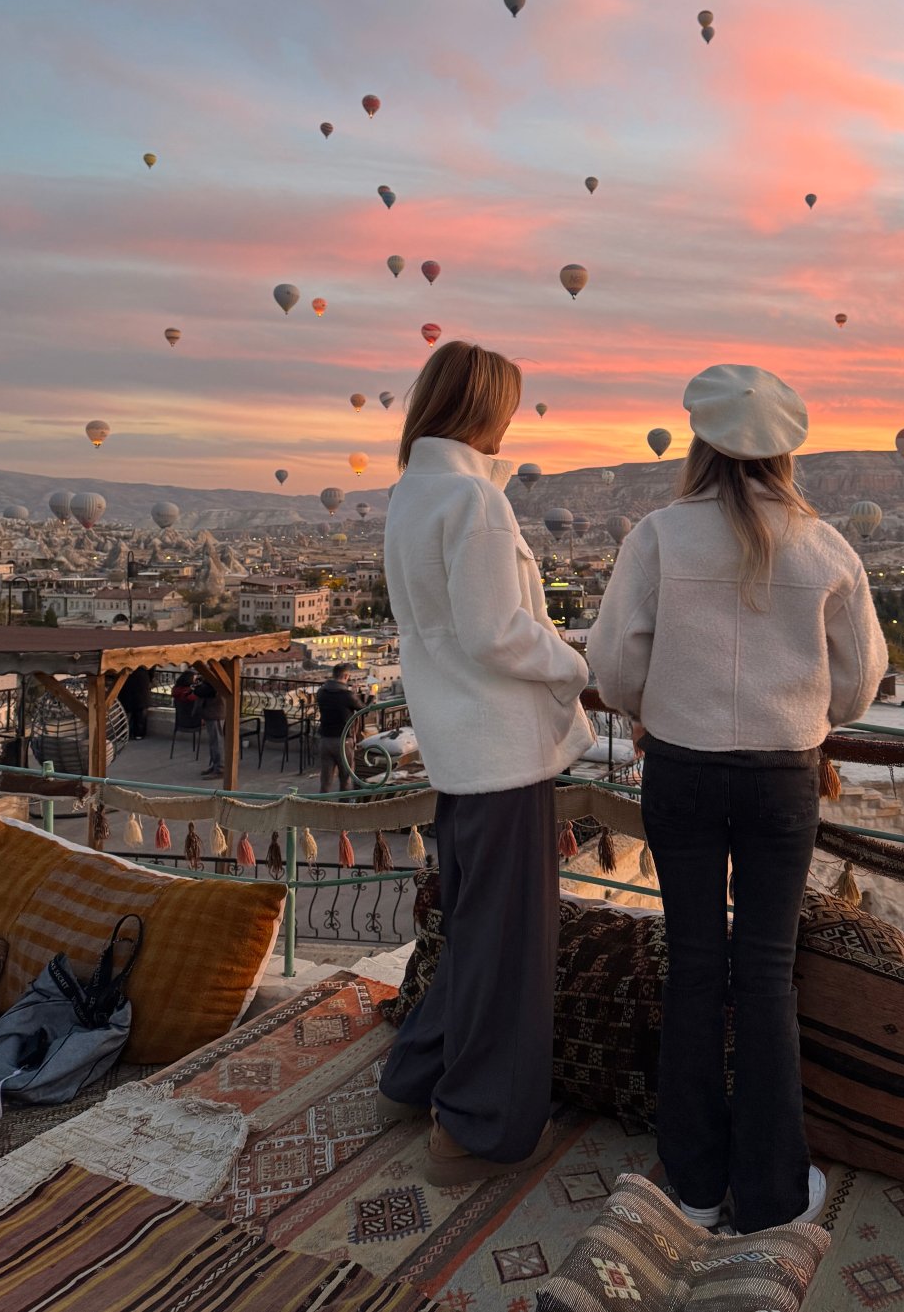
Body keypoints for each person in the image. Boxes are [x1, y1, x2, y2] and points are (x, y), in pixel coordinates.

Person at [588, 364, 888, 1235]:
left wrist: (649, 707)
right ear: (787, 452)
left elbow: (612, 667)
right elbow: (861, 684)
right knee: (763, 973)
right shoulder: (826, 544)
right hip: (781, 775)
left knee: (691, 962)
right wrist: (802, 710)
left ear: (698, 440)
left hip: (679, 766)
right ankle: (770, 1194)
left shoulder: (657, 536)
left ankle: (688, 1181)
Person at [377, 341, 593, 1188]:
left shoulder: (411, 493)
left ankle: (414, 1078)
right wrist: (577, 664)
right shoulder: (475, 500)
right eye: (508, 404)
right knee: (510, 945)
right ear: (484, 408)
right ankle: (474, 1126)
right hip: (501, 749)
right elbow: (496, 631)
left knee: (469, 930)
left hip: (454, 747)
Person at [315, 665, 365, 793]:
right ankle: (343, 809)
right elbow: (363, 709)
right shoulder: (347, 695)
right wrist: (366, 696)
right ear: (346, 676)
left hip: (325, 739)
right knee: (345, 779)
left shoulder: (321, 692)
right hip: (343, 741)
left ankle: (322, 807)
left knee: (325, 780)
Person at [193, 671, 226, 777]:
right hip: (212, 711)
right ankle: (215, 765)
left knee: (217, 741)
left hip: (215, 712)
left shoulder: (218, 675)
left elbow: (209, 691)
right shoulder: (215, 674)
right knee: (213, 741)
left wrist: (196, 688)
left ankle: (220, 768)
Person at [116, 663, 151, 740]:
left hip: (125, 677)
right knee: (140, 708)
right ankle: (138, 733)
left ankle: (124, 733)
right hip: (141, 677)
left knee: (126, 708)